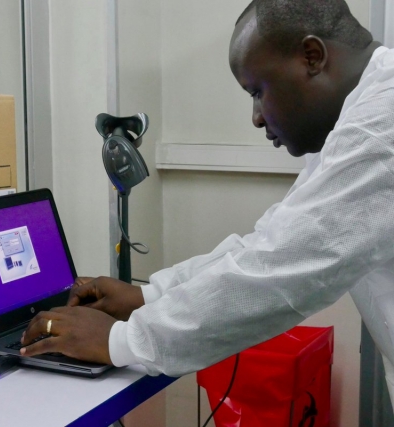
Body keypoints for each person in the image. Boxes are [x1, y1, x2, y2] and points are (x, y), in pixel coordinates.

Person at [22, 0, 394, 402]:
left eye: (257, 91)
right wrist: (148, 296)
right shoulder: (360, 117)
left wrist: (123, 340)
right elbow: (271, 240)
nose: (256, 116)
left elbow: (287, 265)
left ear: (312, 56)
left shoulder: (381, 127)